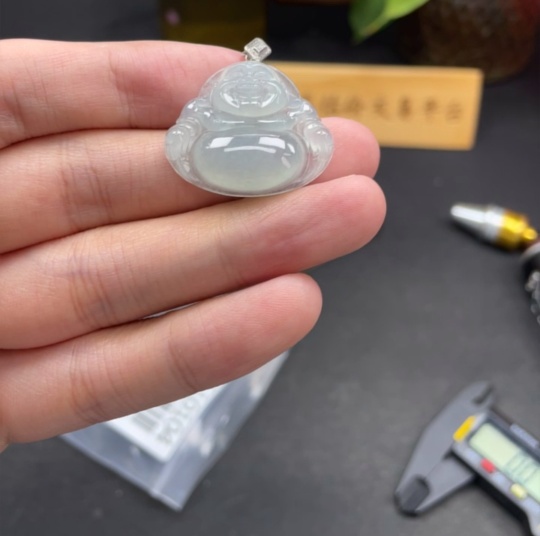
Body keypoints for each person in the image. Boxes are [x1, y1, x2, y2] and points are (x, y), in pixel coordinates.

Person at [0, 38, 386, 451]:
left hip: (278, 145)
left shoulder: (289, 110)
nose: (250, 95)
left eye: (260, 89)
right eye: (241, 89)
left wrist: (309, 137)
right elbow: (186, 131)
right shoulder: (207, 109)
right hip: (218, 146)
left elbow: (310, 129)